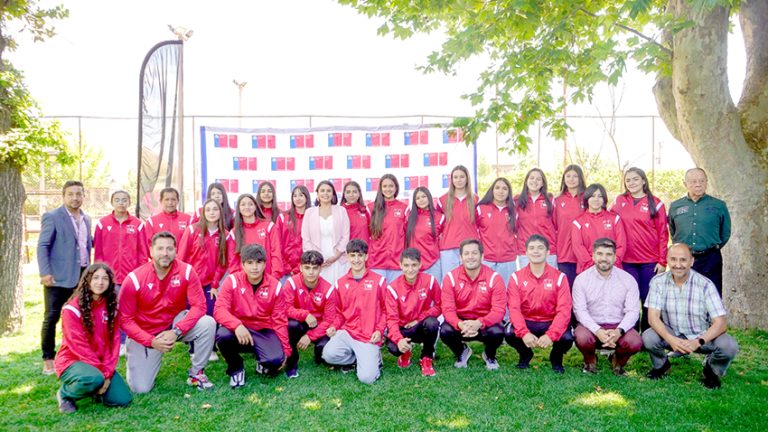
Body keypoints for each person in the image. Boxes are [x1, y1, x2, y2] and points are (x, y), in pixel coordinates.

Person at [119, 231, 216, 393]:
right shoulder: (134, 279)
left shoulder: (186, 271)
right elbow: (125, 320)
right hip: (146, 331)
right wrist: (151, 341)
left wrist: (176, 331)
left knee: (208, 323)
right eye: (160, 248)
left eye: (169, 249)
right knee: (140, 388)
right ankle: (138, 356)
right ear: (151, 251)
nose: (165, 253)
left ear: (176, 251)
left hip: (174, 324)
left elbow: (199, 306)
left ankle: (196, 372)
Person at [643, 243, 739, 389]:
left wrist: (697, 342)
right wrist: (671, 339)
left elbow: (721, 323)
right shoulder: (658, 282)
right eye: (673, 259)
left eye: (683, 260)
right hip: (672, 333)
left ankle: (712, 370)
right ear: (667, 260)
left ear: (692, 261)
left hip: (701, 336)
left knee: (729, 346)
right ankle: (661, 365)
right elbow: (653, 318)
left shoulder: (705, 285)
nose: (678, 265)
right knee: (648, 337)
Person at [54, 264, 132, 413]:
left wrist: (108, 373)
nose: (100, 282)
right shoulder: (72, 309)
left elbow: (114, 343)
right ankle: (65, 394)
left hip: (100, 364)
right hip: (73, 360)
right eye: (95, 278)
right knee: (94, 378)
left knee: (122, 399)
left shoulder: (111, 308)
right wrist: (102, 374)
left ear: (110, 283)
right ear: (87, 280)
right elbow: (78, 346)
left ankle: (95, 389)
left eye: (105, 279)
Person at [214, 244, 291, 388]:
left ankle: (262, 360)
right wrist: (236, 325)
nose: (254, 267)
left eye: (258, 262)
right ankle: (236, 368)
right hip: (238, 329)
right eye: (250, 263)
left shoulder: (275, 285)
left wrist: (285, 349)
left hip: (263, 329)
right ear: (242, 265)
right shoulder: (232, 281)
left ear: (265, 264)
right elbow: (219, 310)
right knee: (222, 335)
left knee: (275, 362)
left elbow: (279, 320)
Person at [38, 180, 93, 375]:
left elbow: (87, 246)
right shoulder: (52, 216)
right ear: (63, 196)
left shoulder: (87, 219)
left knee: (80, 317)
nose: (75, 198)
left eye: (79, 194)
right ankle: (48, 359)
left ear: (83, 196)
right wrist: (45, 272)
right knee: (51, 317)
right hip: (58, 277)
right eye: (71, 194)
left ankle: (76, 353)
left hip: (81, 277)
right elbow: (43, 245)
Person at [572, 238, 642, 376]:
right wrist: (597, 331)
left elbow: (633, 311)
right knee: (581, 337)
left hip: (618, 325)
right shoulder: (581, 279)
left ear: (615, 257)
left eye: (609, 254)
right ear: (593, 255)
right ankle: (590, 361)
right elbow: (580, 311)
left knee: (635, 342)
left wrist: (619, 331)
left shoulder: (628, 279)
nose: (604, 258)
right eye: (600, 254)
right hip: (591, 326)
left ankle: (619, 361)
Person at [322, 239, 387, 384]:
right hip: (348, 332)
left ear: (366, 257)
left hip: (368, 335)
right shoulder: (341, 282)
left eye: (360, 255)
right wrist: (334, 326)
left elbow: (385, 310)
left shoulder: (379, 281)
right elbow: (340, 312)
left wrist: (379, 330)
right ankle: (358, 358)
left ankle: (373, 359)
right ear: (347, 257)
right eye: (353, 256)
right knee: (328, 355)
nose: (356, 260)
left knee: (367, 378)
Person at [611, 167, 669, 330]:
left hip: (649, 261)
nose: (631, 183)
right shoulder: (619, 201)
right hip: (626, 260)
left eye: (635, 179)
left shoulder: (656, 204)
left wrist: (662, 260)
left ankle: (648, 332)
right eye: (628, 180)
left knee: (647, 298)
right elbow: (609, 221)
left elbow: (663, 233)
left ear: (643, 180)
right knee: (630, 298)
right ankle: (631, 332)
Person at [506, 235, 573, 374]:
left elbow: (564, 310)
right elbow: (514, 309)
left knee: (567, 338)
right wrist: (524, 333)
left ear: (548, 253)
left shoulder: (560, 277)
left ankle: (556, 357)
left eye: (540, 248)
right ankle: (525, 354)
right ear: (526, 252)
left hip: (550, 320)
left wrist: (551, 335)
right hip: (528, 320)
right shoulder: (516, 277)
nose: (536, 251)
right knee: (509, 333)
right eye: (532, 248)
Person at [440, 239, 506, 371]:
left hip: (484, 323)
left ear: (482, 256)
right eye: (467, 253)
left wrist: (480, 323)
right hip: (462, 324)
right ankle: (462, 351)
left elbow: (499, 310)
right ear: (461, 257)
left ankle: (489, 354)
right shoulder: (451, 278)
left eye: (474, 253)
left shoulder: (494, 278)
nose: (470, 257)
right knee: (445, 331)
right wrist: (459, 324)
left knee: (498, 332)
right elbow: (447, 309)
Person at [668, 168, 731, 296]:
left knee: (712, 295)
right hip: (683, 259)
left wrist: (711, 246)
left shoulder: (719, 205)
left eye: (702, 181)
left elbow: (725, 233)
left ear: (707, 182)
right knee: (683, 295)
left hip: (710, 258)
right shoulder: (675, 206)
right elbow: (673, 230)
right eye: (693, 181)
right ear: (685, 184)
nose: (698, 184)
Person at [93, 190, 142, 350]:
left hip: (131, 276)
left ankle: (129, 339)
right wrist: (99, 275)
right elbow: (98, 251)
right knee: (110, 309)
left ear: (129, 202)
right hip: (110, 276)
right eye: (117, 200)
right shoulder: (102, 224)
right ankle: (116, 341)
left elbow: (143, 251)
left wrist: (140, 274)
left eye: (124, 200)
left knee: (129, 310)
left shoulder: (138, 224)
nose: (121, 203)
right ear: (112, 202)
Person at [384, 248, 441, 377]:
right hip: (402, 329)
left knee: (432, 323)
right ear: (400, 265)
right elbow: (391, 319)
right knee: (393, 348)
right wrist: (398, 340)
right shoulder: (393, 288)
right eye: (406, 265)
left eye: (414, 265)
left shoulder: (430, 281)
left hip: (419, 326)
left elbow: (440, 305)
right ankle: (405, 352)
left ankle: (426, 358)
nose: (410, 269)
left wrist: (420, 319)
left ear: (420, 264)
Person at [283, 250, 337, 378]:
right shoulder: (291, 283)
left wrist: (310, 336)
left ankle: (318, 354)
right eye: (307, 268)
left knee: (323, 350)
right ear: (301, 267)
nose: (311, 272)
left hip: (317, 325)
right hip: (298, 322)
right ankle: (292, 363)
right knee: (291, 326)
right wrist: (304, 314)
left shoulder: (328, 289)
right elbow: (285, 308)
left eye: (315, 268)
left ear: (321, 268)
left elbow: (329, 319)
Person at [178, 199, 229, 321]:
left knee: (210, 316)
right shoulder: (192, 230)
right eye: (208, 209)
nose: (212, 212)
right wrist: (183, 282)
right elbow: (181, 258)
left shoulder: (225, 235)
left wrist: (214, 285)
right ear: (203, 213)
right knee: (188, 317)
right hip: (190, 283)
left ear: (220, 213)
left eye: (215, 209)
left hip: (209, 285)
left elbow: (222, 264)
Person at [571, 183, 627, 274]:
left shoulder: (614, 219)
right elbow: (578, 246)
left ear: (604, 199)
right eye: (592, 196)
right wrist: (591, 265)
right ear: (587, 198)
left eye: (600, 196)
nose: (596, 199)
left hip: (612, 268)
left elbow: (621, 245)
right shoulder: (578, 222)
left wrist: (611, 263)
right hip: (587, 270)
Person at [302, 181, 350, 284]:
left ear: (333, 194)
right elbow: (306, 239)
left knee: (339, 290)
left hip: (338, 259)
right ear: (317, 193)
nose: (325, 193)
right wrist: (315, 259)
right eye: (322, 191)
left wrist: (335, 256)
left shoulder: (341, 211)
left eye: (329, 191)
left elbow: (345, 236)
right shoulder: (309, 212)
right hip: (317, 261)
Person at [227, 193, 283, 279]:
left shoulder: (269, 226)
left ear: (255, 206)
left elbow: (276, 253)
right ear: (238, 208)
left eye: (250, 204)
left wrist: (275, 277)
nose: (247, 207)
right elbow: (233, 263)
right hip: (244, 283)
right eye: (243, 204)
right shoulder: (234, 233)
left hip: (268, 279)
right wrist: (240, 282)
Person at [437, 165, 479, 277]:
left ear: (467, 179)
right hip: (448, 249)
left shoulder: (476, 200)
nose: (459, 180)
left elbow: (481, 225)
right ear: (452, 180)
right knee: (450, 282)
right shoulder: (442, 200)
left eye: (462, 177)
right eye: (455, 177)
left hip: (470, 248)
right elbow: (437, 226)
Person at [476, 177, 517, 284]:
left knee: (507, 294)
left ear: (509, 192)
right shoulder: (481, 209)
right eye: (497, 188)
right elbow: (473, 233)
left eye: (504, 189)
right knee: (486, 295)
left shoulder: (514, 210)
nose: (500, 191)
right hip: (487, 260)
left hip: (508, 261)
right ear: (492, 190)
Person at [367, 174, 407, 283]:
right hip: (376, 262)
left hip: (397, 262)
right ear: (380, 188)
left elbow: (408, 234)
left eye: (391, 186)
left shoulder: (404, 208)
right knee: (377, 298)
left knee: (395, 297)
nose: (388, 189)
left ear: (396, 188)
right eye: (385, 186)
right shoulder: (371, 208)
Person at [515, 168, 558, 268]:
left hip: (548, 250)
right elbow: (515, 226)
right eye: (532, 178)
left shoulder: (550, 199)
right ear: (526, 181)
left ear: (543, 183)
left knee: (549, 282)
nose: (535, 181)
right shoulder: (517, 200)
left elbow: (556, 225)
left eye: (538, 179)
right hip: (526, 251)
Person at [554, 164, 586, 288]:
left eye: (575, 176)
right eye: (568, 176)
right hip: (564, 254)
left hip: (585, 254)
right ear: (564, 178)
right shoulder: (557, 201)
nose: (571, 179)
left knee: (584, 292)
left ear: (580, 178)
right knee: (567, 290)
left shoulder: (588, 198)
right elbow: (554, 226)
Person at [138, 187, 192, 258]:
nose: (170, 202)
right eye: (167, 199)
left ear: (178, 201)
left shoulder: (188, 219)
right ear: (160, 201)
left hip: (183, 263)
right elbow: (148, 246)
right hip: (161, 264)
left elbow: (192, 244)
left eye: (173, 199)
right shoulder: (152, 221)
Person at [405, 186, 444, 282]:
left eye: (423, 196)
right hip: (413, 264)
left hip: (433, 263)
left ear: (429, 197)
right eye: (417, 198)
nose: (421, 200)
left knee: (435, 295)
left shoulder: (440, 217)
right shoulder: (409, 216)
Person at [280, 185, 311, 282]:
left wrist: (300, 267)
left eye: (301, 195)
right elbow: (276, 244)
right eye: (295, 196)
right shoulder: (283, 217)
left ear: (307, 197)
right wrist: (286, 267)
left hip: (306, 269)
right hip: (284, 271)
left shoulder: (312, 218)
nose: (298, 198)